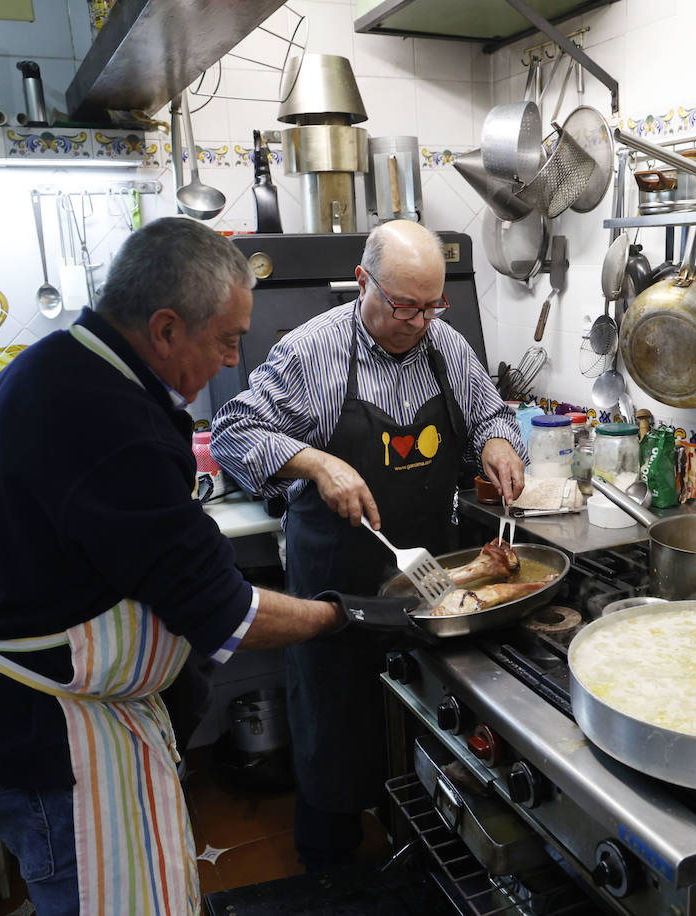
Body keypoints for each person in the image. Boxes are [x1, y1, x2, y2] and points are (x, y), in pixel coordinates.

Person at [0, 218, 372, 916]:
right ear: (166, 329)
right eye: (226, 340)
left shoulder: (59, 366)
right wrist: (347, 614)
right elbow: (229, 612)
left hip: (41, 716)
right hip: (48, 736)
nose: (232, 360)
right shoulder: (102, 418)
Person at [210, 219, 527, 869]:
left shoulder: (446, 345)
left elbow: (491, 413)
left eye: (431, 305)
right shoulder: (310, 352)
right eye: (404, 304)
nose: (419, 320)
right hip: (338, 586)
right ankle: (331, 878)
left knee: (426, 727)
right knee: (335, 735)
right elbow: (232, 433)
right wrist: (316, 463)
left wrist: (498, 441)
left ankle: (417, 865)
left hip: (430, 585)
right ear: (363, 283)